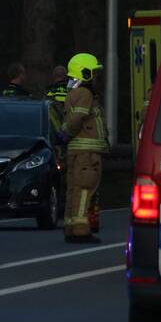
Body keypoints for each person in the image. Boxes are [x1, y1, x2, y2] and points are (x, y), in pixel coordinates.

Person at [58, 53, 109, 243]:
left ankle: (71, 227)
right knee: (85, 189)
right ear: (85, 73)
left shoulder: (75, 93)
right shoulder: (85, 94)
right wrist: (68, 132)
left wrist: (65, 135)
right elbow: (77, 118)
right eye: (94, 73)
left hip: (78, 153)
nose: (97, 78)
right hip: (86, 155)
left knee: (74, 189)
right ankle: (81, 230)